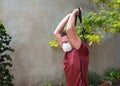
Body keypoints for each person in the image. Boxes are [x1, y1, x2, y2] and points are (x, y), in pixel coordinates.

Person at [54, 8, 89, 86]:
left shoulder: (81, 50)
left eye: (66, 42)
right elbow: (56, 33)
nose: (64, 44)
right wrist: (69, 16)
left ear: (73, 39)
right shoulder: (68, 52)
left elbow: (69, 30)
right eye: (63, 42)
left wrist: (75, 12)